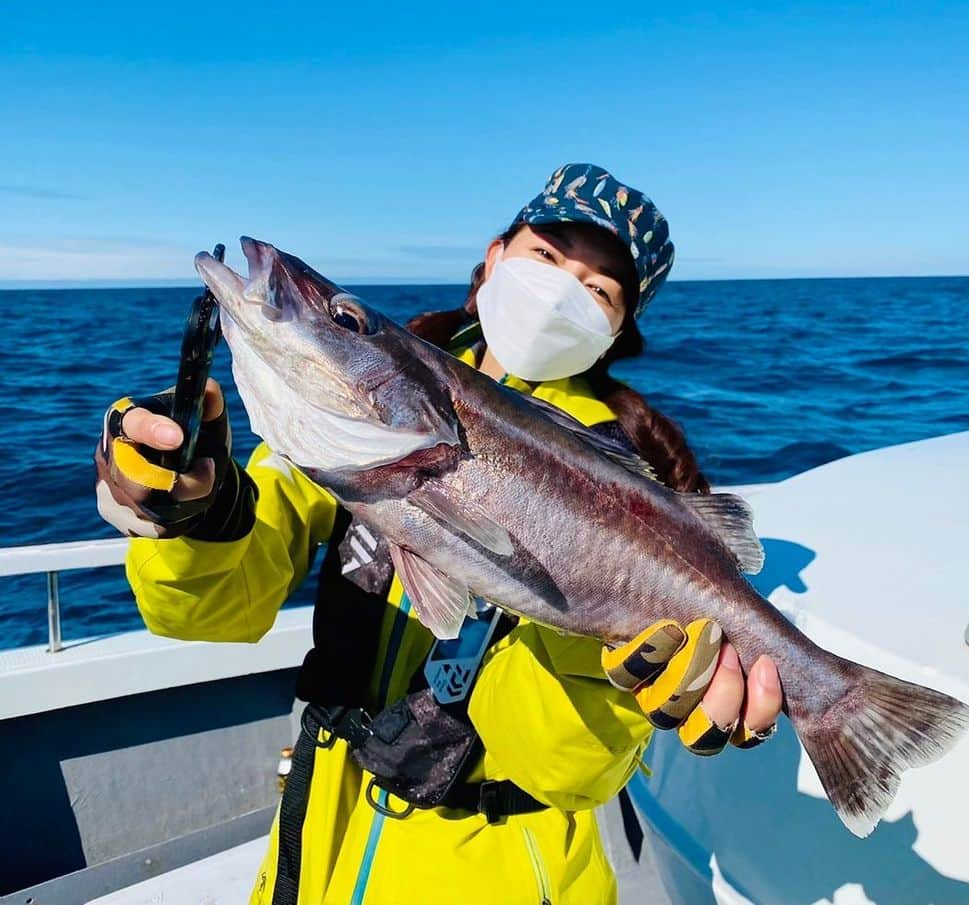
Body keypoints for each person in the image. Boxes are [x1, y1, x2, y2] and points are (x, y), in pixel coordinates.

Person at [95, 163, 782, 905]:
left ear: (619, 329)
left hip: (508, 865)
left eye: (598, 289)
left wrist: (604, 673)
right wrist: (203, 514)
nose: (558, 290)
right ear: (495, 257)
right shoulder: (353, 420)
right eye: (547, 255)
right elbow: (214, 612)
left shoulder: (633, 470)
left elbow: (558, 767)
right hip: (320, 832)